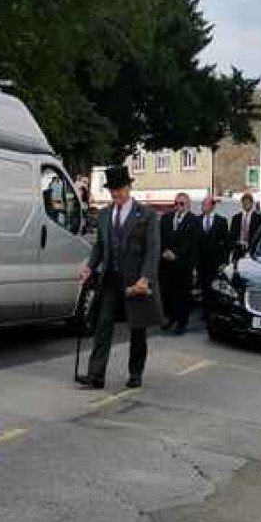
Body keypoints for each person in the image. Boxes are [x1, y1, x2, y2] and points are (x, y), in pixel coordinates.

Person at [76, 165, 162, 390]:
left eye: (120, 189)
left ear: (129, 187)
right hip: (111, 280)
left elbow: (152, 249)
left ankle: (135, 373)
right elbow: (100, 247)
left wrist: (146, 278)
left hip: (136, 281)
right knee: (103, 324)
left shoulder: (147, 215)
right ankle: (96, 375)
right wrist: (89, 267)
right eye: (112, 190)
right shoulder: (104, 214)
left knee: (137, 329)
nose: (116, 194)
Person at [159, 191, 201, 335]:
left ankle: (181, 323)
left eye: (181, 203)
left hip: (183, 264)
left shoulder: (194, 220)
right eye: (176, 203)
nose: (178, 206)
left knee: (182, 295)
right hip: (166, 264)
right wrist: (164, 251)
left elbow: (192, 243)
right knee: (167, 293)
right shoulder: (166, 218)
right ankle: (170, 317)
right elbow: (160, 237)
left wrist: (175, 254)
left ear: (188, 205)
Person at [198, 194, 229, 312]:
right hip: (201, 262)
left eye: (205, 204)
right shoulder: (197, 219)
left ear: (212, 206)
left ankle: (214, 310)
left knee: (215, 286)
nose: (203, 206)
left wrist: (224, 262)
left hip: (216, 262)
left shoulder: (221, 221)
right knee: (204, 287)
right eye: (203, 204)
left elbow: (226, 243)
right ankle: (205, 310)